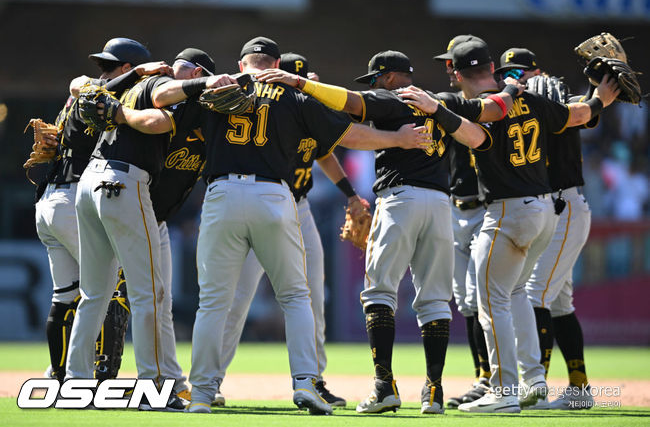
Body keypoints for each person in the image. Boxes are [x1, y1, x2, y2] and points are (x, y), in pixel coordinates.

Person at [151, 36, 431, 415]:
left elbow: (160, 101)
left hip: (220, 195)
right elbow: (347, 135)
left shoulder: (219, 88)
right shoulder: (293, 96)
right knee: (297, 296)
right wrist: (396, 138)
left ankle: (200, 393)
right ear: (277, 63)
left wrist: (200, 82)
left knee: (213, 303)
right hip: (274, 196)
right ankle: (306, 383)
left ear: (243, 62)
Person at [258, 49, 518, 415]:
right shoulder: (441, 101)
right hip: (441, 205)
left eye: (379, 78)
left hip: (400, 200)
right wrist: (511, 89)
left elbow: (350, 101)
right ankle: (434, 392)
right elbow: (484, 130)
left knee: (379, 292)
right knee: (435, 300)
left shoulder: (394, 97)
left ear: (392, 77)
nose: (377, 84)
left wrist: (301, 84)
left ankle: (384, 387)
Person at [406, 40, 619, 413]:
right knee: (519, 292)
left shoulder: (481, 108)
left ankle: (502, 392)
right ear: (492, 66)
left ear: (457, 73)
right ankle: (534, 378)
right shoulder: (533, 100)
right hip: (542, 211)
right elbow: (578, 116)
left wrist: (437, 109)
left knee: (492, 302)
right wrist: (602, 96)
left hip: (507, 212)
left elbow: (472, 131)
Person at [214, 52, 355, 408]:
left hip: (299, 205)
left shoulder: (302, 105)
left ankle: (315, 379)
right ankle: (212, 380)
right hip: (269, 199)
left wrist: (350, 193)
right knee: (238, 297)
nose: (300, 84)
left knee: (312, 296)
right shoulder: (284, 108)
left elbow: (323, 152)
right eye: (297, 78)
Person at [64, 39, 186, 411]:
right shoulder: (143, 87)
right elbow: (161, 119)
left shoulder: (112, 91)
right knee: (148, 292)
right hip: (122, 182)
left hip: (89, 185)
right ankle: (152, 386)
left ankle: (75, 382)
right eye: (105, 65)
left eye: (111, 65)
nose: (104, 71)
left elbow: (79, 84)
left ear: (130, 66)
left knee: (94, 293)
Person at [34, 37, 152, 384]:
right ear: (130, 70)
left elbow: (78, 89)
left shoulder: (79, 94)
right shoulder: (105, 97)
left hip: (48, 203)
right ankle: (102, 376)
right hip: (73, 201)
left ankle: (60, 375)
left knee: (66, 294)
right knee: (110, 286)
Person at [495, 47, 599, 410]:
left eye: (522, 71)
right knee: (559, 302)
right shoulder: (522, 107)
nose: (516, 77)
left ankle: (535, 384)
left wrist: (601, 92)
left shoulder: (555, 102)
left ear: (538, 71)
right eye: (509, 72)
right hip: (548, 207)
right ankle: (579, 388)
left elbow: (580, 112)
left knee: (535, 293)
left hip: (564, 204)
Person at [433, 34, 492, 408]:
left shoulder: (497, 105)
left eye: (451, 64)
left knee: (487, 299)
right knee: (467, 302)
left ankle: (500, 379)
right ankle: (483, 377)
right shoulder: (452, 105)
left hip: (489, 207)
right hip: (456, 208)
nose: (448, 71)